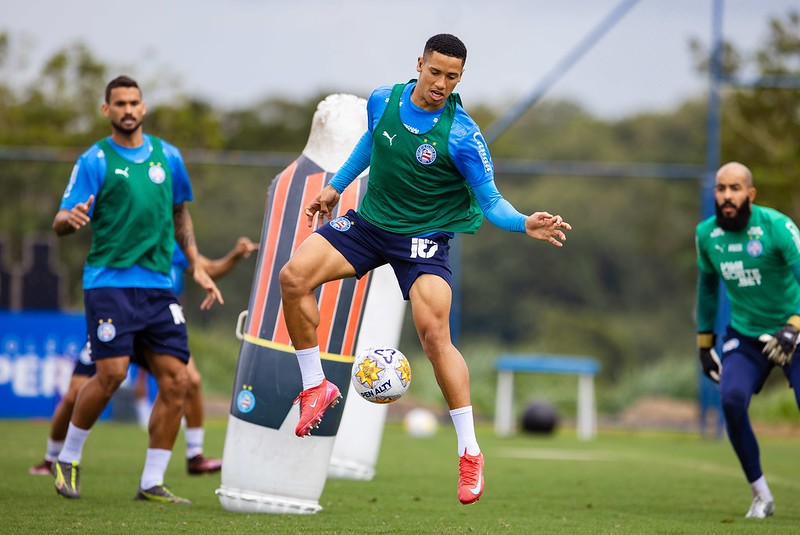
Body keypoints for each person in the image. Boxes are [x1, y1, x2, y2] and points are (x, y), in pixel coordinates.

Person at [278, 34, 571, 505]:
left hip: (424, 241)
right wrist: (336, 186)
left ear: (460, 78)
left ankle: (470, 452)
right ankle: (316, 386)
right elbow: (371, 143)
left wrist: (523, 223)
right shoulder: (383, 100)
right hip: (369, 226)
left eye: (451, 77)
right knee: (293, 278)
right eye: (435, 72)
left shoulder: (462, 135)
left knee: (434, 336)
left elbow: (491, 201)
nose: (440, 84)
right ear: (419, 64)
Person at [50, 75, 223, 504]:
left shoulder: (169, 156)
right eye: (119, 103)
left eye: (134, 102)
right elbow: (60, 219)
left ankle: (152, 481)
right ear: (106, 111)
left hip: (159, 287)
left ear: (143, 108)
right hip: (109, 283)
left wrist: (197, 265)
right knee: (110, 375)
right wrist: (67, 221)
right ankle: (68, 458)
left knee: (178, 380)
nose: (128, 109)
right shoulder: (95, 160)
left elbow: (180, 213)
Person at [29, 237, 258, 477]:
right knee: (75, 395)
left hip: (155, 321)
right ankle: (52, 457)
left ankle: (194, 456)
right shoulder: (126, 234)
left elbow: (207, 269)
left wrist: (234, 254)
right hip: (119, 315)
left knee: (189, 380)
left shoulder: (169, 243)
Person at [695, 161, 800, 519]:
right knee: (731, 399)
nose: (727, 196)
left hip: (794, 330)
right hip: (747, 334)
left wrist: (795, 324)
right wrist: (704, 344)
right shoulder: (706, 234)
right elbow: (707, 289)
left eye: (734, 189)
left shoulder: (778, 227)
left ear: (750, 194)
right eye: (721, 189)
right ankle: (761, 495)